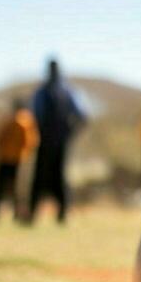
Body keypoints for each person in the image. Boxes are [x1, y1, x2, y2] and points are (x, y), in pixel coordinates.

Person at [29, 57, 86, 223]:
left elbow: (82, 116)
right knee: (41, 177)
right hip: (47, 140)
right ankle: (34, 212)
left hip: (58, 141)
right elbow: (33, 115)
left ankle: (62, 213)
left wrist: (70, 134)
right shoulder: (53, 91)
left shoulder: (65, 91)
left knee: (57, 177)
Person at [0, 99, 38, 222]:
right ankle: (16, 213)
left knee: (1, 187)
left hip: (6, 158)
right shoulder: (27, 122)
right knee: (15, 188)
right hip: (17, 159)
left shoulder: (13, 121)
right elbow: (32, 142)